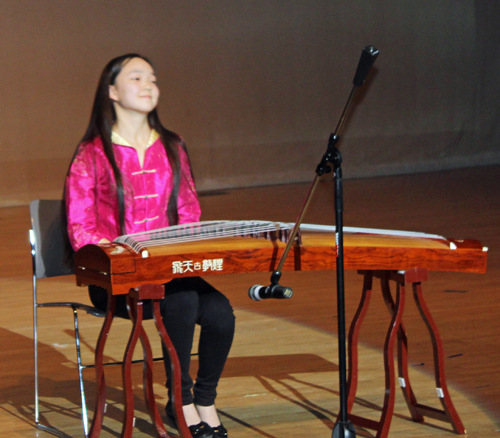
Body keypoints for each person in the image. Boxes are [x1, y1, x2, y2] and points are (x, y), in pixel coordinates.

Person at [65, 54, 235, 438]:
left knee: (221, 314)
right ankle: (182, 402)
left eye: (153, 79)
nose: (148, 86)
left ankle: (204, 400)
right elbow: (81, 227)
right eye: (136, 77)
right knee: (182, 301)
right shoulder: (92, 153)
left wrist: (184, 253)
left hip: (169, 270)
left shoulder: (172, 145)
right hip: (116, 278)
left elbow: (189, 212)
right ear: (111, 91)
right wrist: (125, 259)